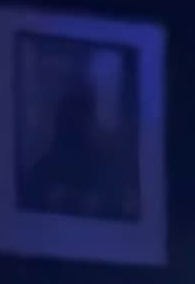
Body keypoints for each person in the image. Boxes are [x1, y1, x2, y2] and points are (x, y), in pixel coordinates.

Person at [19, 44, 137, 222]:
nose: (75, 123)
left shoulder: (106, 167)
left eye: (81, 114)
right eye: (69, 116)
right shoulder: (43, 169)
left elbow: (118, 211)